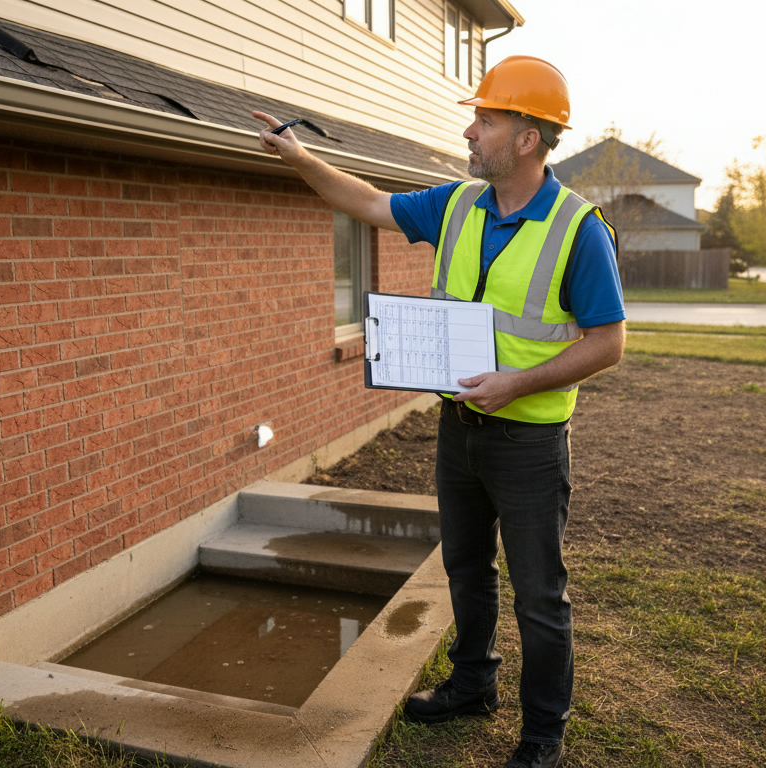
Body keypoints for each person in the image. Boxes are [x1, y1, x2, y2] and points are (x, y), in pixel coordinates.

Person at [253, 55, 624, 768]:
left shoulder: (579, 228)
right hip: (460, 430)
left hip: (530, 441)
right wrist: (301, 159)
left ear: (527, 138)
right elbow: (365, 202)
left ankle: (543, 734)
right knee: (465, 566)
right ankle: (473, 683)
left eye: (485, 119)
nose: (470, 130)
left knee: (540, 596)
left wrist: (516, 384)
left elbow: (609, 342)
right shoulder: (458, 204)